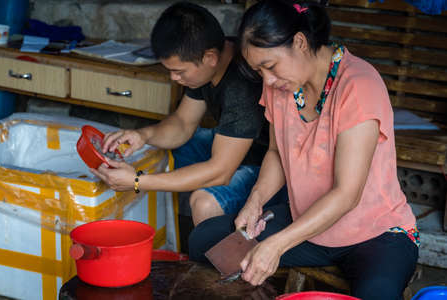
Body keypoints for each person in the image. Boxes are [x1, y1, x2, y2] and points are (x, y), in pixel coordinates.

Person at [188, 1, 419, 299]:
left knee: (378, 293)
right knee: (203, 241)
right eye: (260, 71)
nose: (267, 80)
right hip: (307, 223)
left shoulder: (358, 85)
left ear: (299, 42)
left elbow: (347, 194)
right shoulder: (282, 85)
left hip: (374, 234)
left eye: (270, 66)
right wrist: (255, 201)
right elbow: (276, 153)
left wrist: (276, 244)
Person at [90, 2, 285, 226]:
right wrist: (142, 136)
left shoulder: (240, 86)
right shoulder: (207, 60)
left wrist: (137, 181)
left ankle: (208, 255)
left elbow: (220, 172)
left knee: (204, 202)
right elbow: (183, 122)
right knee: (156, 150)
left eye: (178, 71)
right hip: (230, 147)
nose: (174, 78)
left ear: (210, 57)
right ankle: (163, 233)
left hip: (264, 166)